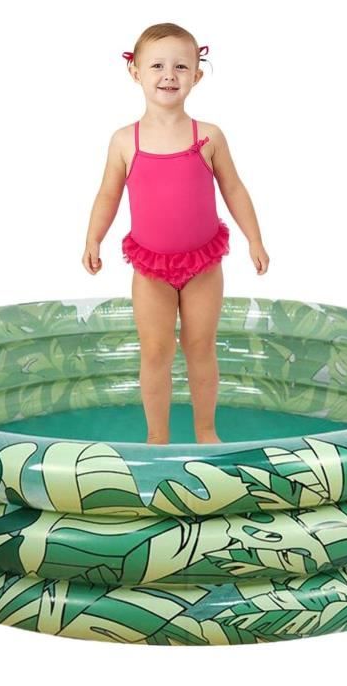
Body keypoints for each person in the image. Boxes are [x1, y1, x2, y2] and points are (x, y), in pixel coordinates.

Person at [82, 22, 269, 445]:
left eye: (181, 67)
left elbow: (234, 188)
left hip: (203, 264)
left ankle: (206, 430)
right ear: (135, 72)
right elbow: (108, 193)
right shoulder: (124, 141)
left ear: (197, 75)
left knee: (200, 347)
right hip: (150, 269)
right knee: (155, 351)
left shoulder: (208, 136)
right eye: (158, 66)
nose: (169, 75)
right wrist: (93, 238)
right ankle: (157, 436)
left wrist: (254, 239)